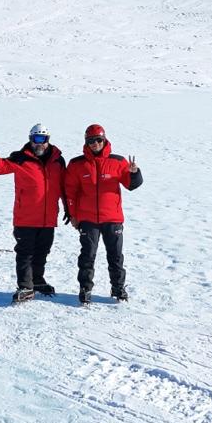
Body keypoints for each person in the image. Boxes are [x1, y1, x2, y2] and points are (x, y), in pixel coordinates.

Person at [0, 123, 67, 303]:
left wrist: (68, 207)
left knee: (42, 252)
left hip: (48, 219)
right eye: (36, 139)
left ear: (48, 140)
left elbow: (64, 187)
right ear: (31, 140)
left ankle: (37, 280)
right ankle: (25, 286)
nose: (39, 144)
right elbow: (0, 167)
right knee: (25, 254)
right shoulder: (20, 158)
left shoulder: (58, 161)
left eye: (42, 139)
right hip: (25, 218)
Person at [64, 123, 143, 305]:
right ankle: (85, 289)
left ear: (105, 139)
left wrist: (135, 173)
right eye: (91, 141)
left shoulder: (118, 161)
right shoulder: (77, 165)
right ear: (86, 142)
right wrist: (74, 216)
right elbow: (70, 192)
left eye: (99, 140)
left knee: (115, 256)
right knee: (87, 255)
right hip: (88, 219)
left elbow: (131, 185)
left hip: (112, 218)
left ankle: (118, 288)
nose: (95, 144)